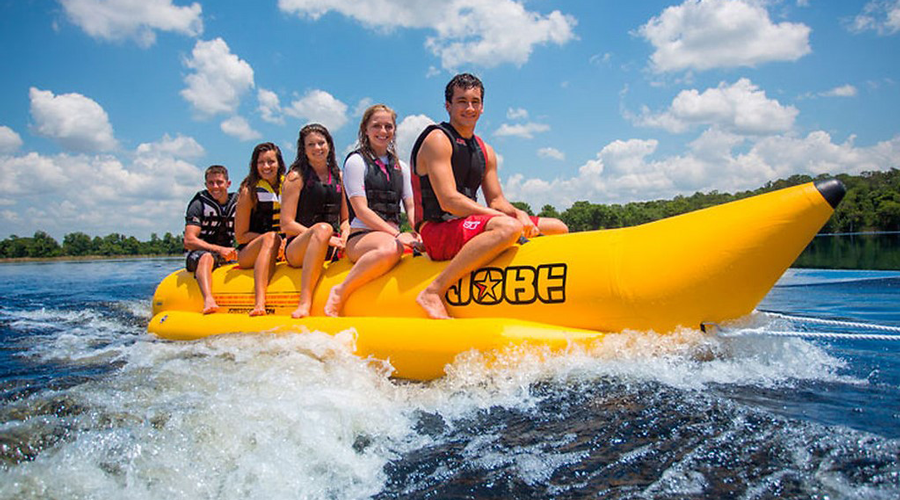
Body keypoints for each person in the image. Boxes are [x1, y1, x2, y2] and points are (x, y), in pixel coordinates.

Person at [410, 73, 569, 319]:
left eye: (475, 101)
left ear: (482, 107)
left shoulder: (485, 150)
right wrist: (506, 220)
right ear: (448, 106)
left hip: (467, 225)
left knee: (557, 227)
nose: (469, 108)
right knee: (507, 228)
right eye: (462, 101)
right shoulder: (437, 139)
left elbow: (496, 200)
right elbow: (449, 200)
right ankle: (433, 290)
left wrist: (519, 213)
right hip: (437, 230)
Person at [324, 104, 422, 316]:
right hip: (361, 237)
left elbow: (411, 207)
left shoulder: (401, 167)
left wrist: (422, 231)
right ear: (365, 129)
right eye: (376, 126)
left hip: (392, 236)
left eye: (388, 126)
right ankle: (341, 291)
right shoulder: (356, 162)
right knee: (391, 248)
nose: (383, 131)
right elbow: (361, 211)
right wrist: (397, 235)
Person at [281, 124, 350, 318]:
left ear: (329, 145)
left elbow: (345, 219)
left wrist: (345, 234)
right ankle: (305, 302)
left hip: (332, 243)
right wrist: (325, 237)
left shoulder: (339, 176)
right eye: (311, 144)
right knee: (322, 228)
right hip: (298, 248)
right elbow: (286, 223)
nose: (317, 148)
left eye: (321, 143)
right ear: (303, 149)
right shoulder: (295, 177)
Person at [234, 142, 286, 316]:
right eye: (261, 162)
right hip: (249, 252)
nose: (266, 166)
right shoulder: (249, 192)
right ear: (254, 165)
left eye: (271, 161)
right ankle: (259, 303)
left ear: (279, 163)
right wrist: (273, 240)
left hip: (282, 248)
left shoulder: (289, 186)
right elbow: (240, 236)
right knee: (271, 237)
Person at [183, 165, 238, 314]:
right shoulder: (198, 203)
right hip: (199, 254)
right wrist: (219, 249)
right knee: (207, 257)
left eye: (219, 182)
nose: (215, 187)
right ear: (206, 184)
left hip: (228, 253)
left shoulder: (238, 202)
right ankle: (208, 299)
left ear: (228, 184)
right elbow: (189, 240)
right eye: (210, 183)